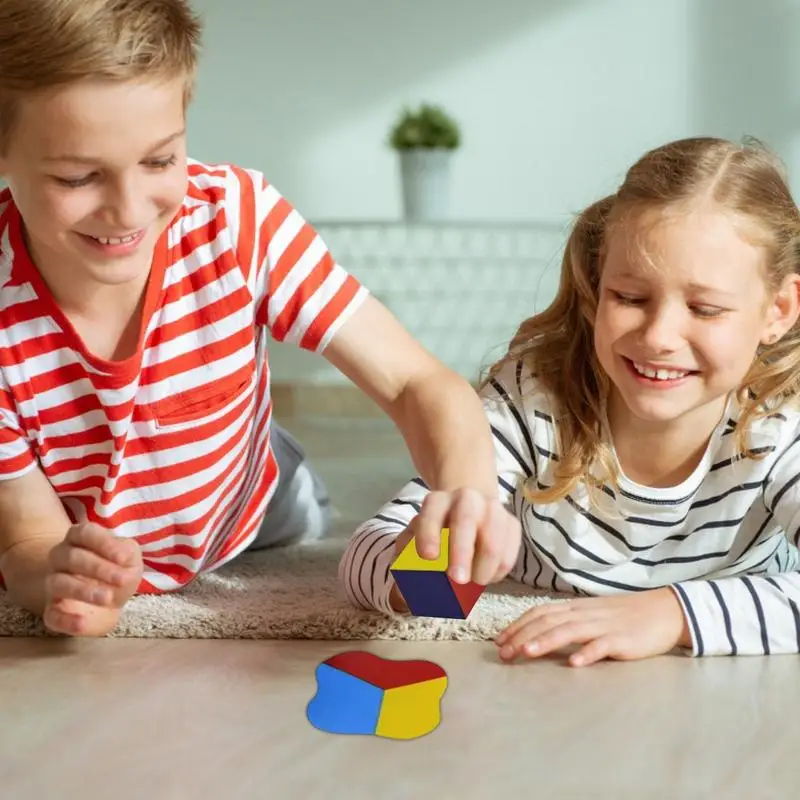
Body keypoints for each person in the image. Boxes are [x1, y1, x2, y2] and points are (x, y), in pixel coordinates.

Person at [0, 0, 521, 637]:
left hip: (249, 499)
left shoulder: (238, 219)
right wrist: (59, 575)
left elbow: (416, 382)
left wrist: (468, 496)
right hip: (77, 511)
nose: (129, 209)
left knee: (301, 510)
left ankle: (280, 473)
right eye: (79, 176)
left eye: (160, 161)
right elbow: (27, 539)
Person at [340, 135, 800, 664]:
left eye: (705, 308)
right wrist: (430, 572)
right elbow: (367, 551)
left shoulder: (782, 426)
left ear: (778, 310)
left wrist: (671, 613)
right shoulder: (532, 400)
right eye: (629, 297)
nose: (658, 336)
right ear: (597, 285)